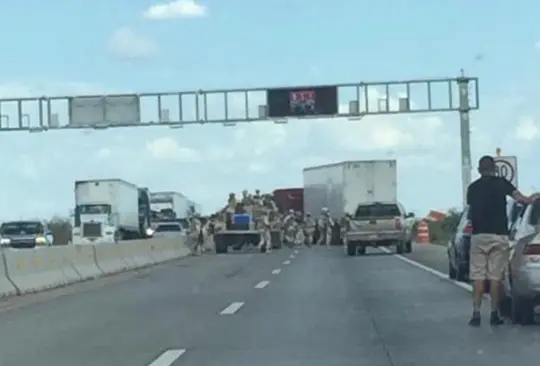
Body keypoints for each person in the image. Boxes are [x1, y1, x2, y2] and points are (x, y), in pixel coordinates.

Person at [466, 155, 538, 327]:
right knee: (495, 277)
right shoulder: (502, 183)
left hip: (478, 236)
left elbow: (471, 209)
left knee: (477, 276)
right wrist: (533, 199)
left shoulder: (473, 188)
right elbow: (521, 198)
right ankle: (493, 314)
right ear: (494, 169)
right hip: (498, 236)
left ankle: (476, 314)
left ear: (479, 170)